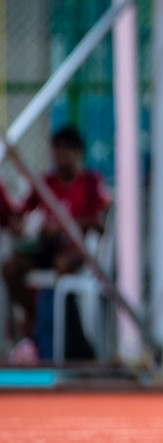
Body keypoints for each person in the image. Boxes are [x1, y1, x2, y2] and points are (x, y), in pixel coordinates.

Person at [0, 125, 110, 339]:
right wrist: (20, 225)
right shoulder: (46, 182)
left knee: (62, 265)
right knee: (11, 268)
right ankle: (37, 323)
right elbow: (22, 213)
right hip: (45, 249)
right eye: (56, 149)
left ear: (78, 152)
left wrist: (64, 228)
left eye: (66, 149)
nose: (60, 156)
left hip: (77, 251)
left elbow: (101, 221)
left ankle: (70, 338)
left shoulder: (90, 182)